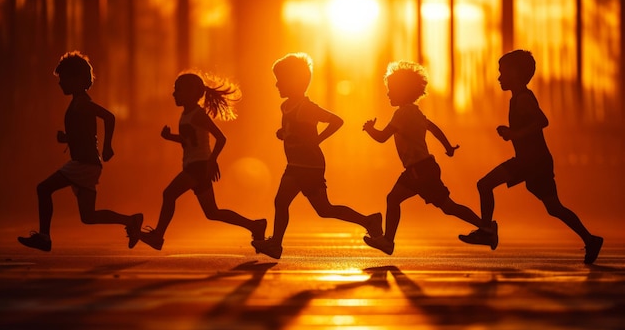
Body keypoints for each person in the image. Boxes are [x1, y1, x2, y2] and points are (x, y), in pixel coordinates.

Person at [459, 49, 603, 264]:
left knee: (484, 184)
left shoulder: (523, 98)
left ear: (515, 73)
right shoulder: (518, 98)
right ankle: (590, 240)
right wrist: (511, 132)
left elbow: (542, 121)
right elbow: (532, 125)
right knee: (554, 208)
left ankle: (487, 229)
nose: (499, 77)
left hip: (531, 160)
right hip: (536, 160)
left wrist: (515, 133)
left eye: (502, 72)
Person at [251, 52, 382, 259]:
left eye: (280, 80)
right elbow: (294, 130)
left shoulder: (307, 107)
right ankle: (276, 243)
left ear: (294, 82)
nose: (277, 85)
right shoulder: (286, 106)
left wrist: (318, 140)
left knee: (321, 208)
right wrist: (283, 133)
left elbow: (337, 121)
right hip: (295, 164)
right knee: (290, 203)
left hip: (310, 165)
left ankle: (369, 221)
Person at [18, 51, 143, 251]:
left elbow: (109, 117)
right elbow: (86, 133)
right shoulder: (79, 102)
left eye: (63, 79)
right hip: (88, 164)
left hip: (83, 164)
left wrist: (107, 145)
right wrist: (68, 138)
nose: (60, 83)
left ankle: (44, 237)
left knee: (43, 188)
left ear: (77, 80)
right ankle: (131, 220)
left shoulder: (82, 102)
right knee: (88, 216)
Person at [362, 60, 486, 255]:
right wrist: (447, 147)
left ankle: (485, 227)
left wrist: (370, 129)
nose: (388, 93)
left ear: (403, 91)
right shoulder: (415, 112)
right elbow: (433, 128)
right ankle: (388, 241)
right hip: (421, 168)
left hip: (420, 170)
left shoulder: (402, 114)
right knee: (398, 199)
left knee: (445, 206)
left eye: (391, 89)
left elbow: (382, 138)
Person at [140, 70, 266, 251]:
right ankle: (255, 226)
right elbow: (189, 141)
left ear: (192, 92)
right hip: (194, 164)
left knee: (169, 194)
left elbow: (221, 138)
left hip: (198, 166)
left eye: (178, 90)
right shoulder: (186, 114)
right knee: (212, 212)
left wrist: (212, 161)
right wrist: (170, 137)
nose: (174, 93)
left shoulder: (198, 114)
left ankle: (158, 236)